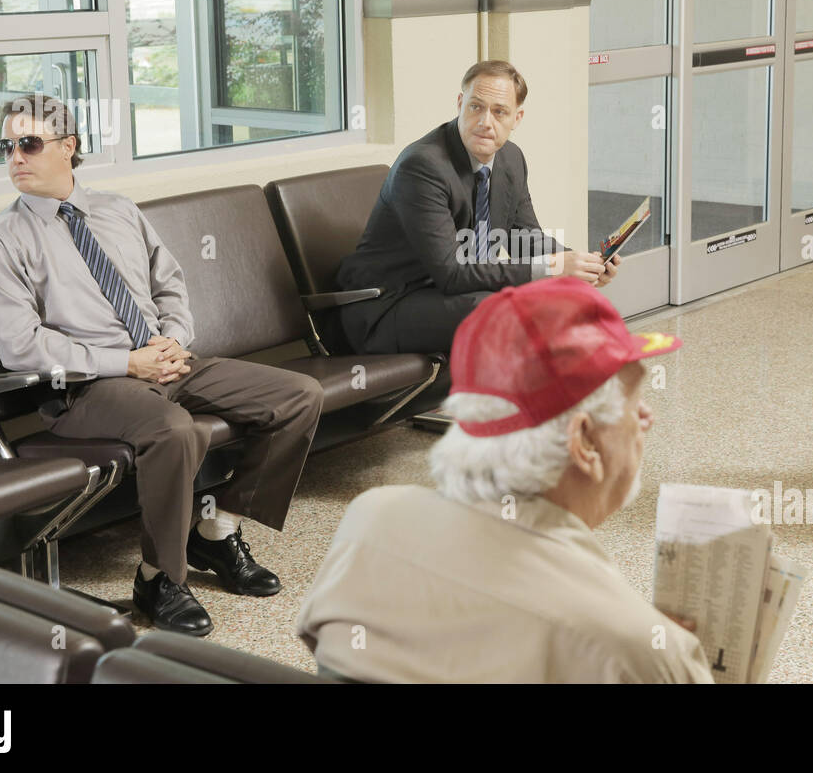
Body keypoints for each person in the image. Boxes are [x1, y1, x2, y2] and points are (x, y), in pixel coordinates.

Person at [0, 94, 324, 634]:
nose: (15, 156)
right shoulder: (0, 242)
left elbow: (170, 284)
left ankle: (216, 531)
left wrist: (175, 340)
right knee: (174, 430)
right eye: (7, 145)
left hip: (167, 361)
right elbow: (21, 348)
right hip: (89, 389)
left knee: (299, 395)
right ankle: (159, 576)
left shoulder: (118, 210)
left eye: (30, 143)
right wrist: (127, 362)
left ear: (68, 149)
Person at [295, 276, 713, 683]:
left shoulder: (368, 520)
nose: (646, 418)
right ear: (583, 441)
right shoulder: (634, 651)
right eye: (634, 402)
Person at [335, 59, 621, 355]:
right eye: (476, 107)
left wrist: (581, 265)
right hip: (389, 306)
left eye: (499, 112)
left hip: (453, 296)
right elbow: (452, 272)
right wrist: (554, 267)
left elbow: (525, 239)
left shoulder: (510, 159)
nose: (485, 122)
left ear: (517, 118)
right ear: (460, 103)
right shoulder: (422, 166)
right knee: (503, 311)